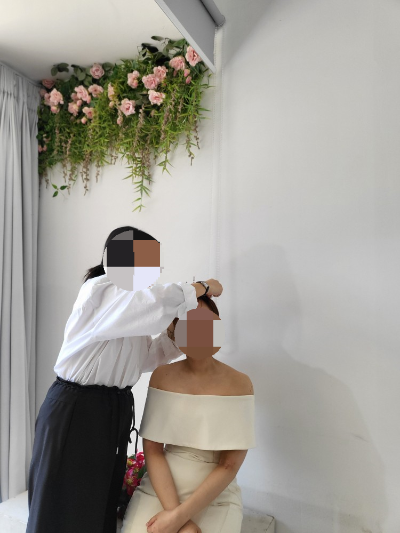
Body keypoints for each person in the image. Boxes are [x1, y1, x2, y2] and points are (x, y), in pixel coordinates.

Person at [26, 225, 223, 533]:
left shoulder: (128, 308)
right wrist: (202, 287)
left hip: (108, 410)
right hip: (77, 408)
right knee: (64, 502)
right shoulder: (101, 290)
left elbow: (144, 359)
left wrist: (174, 333)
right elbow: (154, 303)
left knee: (98, 498)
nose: (155, 271)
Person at [121, 294, 256, 533]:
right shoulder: (162, 376)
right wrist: (177, 516)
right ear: (175, 332)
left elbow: (229, 465)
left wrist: (179, 517)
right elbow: (153, 450)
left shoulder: (240, 384)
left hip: (216, 496)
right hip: (161, 489)